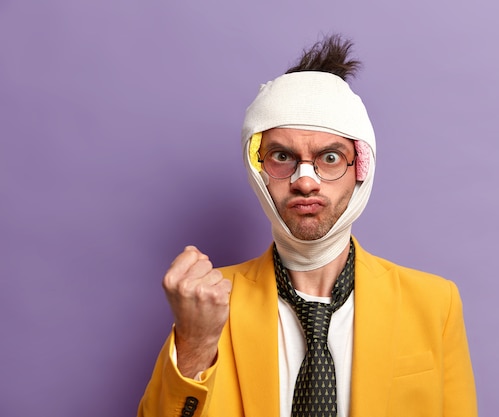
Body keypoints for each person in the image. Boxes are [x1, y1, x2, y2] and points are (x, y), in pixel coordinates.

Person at [138, 34, 477, 417]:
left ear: (361, 169)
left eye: (329, 157)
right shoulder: (209, 303)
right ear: (258, 169)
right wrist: (196, 343)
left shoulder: (434, 304)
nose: (305, 180)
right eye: (282, 156)